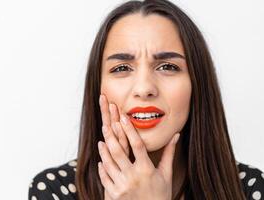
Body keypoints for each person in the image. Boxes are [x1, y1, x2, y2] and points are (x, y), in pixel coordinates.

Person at [28, 0, 264, 199]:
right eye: (121, 68)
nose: (144, 88)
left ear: (196, 83)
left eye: (168, 66)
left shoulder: (250, 188)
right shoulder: (54, 190)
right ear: (98, 87)